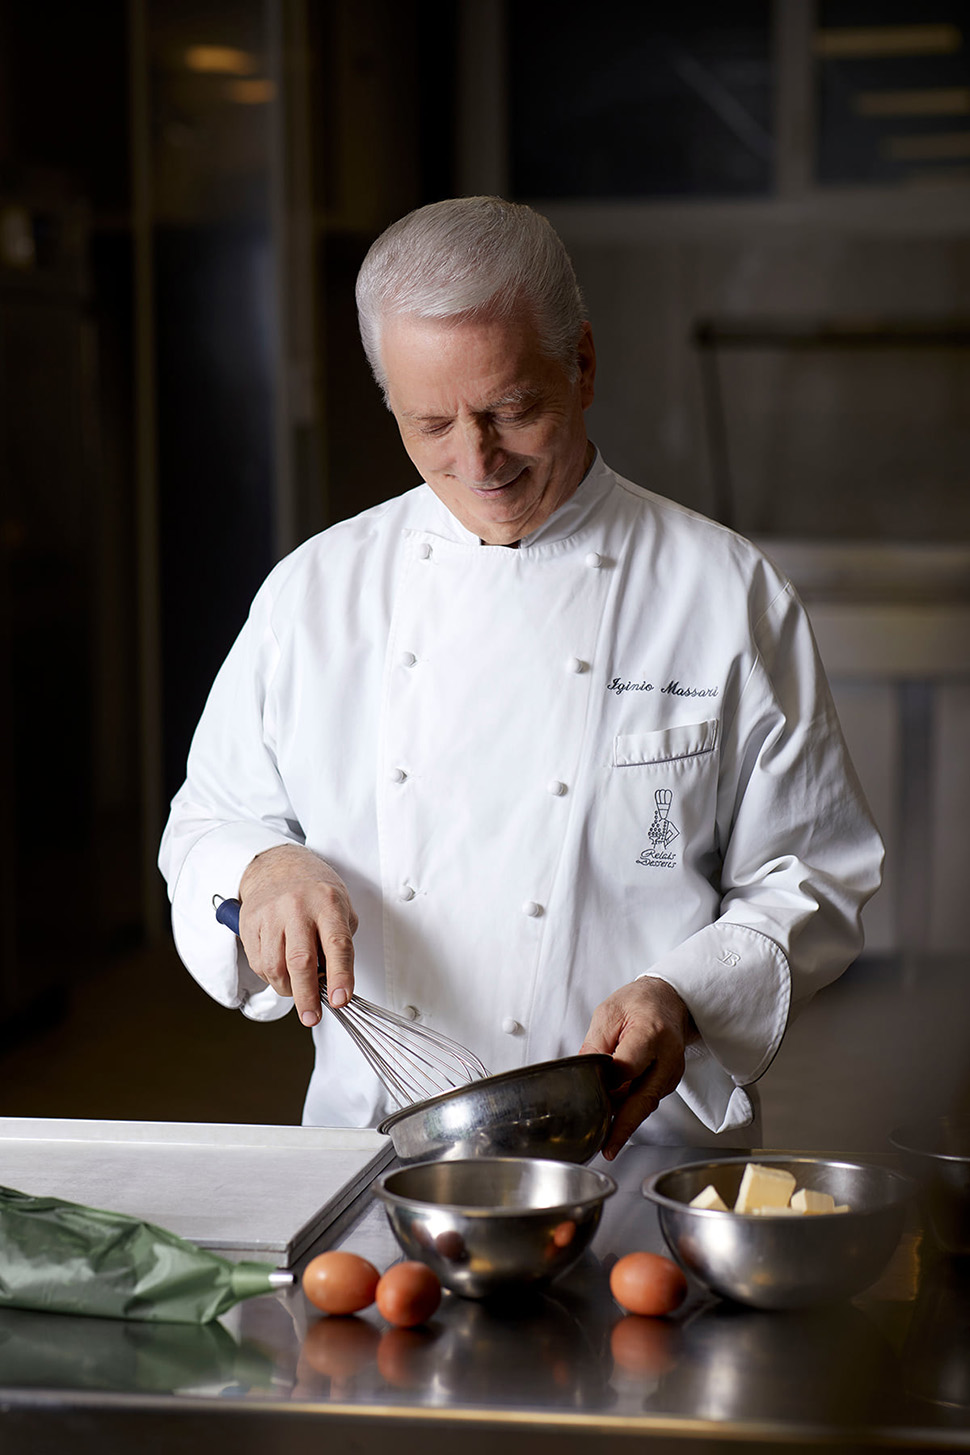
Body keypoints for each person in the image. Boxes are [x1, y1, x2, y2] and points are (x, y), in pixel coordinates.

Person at [159, 196, 883, 1157]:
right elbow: (205, 824)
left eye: (510, 410)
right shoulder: (315, 595)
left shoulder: (723, 592)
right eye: (431, 424)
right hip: (374, 1154)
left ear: (581, 364)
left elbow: (813, 871)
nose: (477, 461)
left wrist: (687, 994)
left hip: (639, 1146)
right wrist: (265, 867)